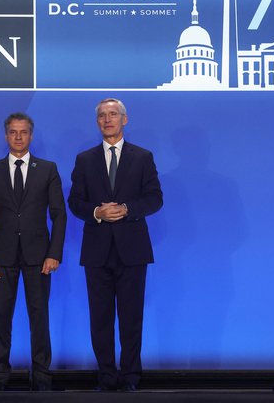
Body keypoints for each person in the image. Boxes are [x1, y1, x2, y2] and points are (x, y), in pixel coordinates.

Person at [68, 98, 163, 392]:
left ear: (124, 119)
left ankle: (131, 377)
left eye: (113, 114)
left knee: (131, 319)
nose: (107, 119)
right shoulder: (85, 160)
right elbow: (75, 202)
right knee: (100, 320)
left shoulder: (142, 157)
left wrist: (126, 209)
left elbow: (154, 199)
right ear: (97, 122)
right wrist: (97, 212)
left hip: (132, 251)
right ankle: (107, 376)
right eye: (102, 116)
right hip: (97, 252)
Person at [0, 113, 67, 391]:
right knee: (0, 318)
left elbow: (59, 214)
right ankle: (0, 375)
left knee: (39, 318)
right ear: (6, 136)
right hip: (0, 258)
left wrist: (54, 253)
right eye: (13, 132)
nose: (18, 137)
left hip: (39, 257)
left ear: (31, 135)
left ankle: (41, 375)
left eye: (23, 132)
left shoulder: (48, 169)